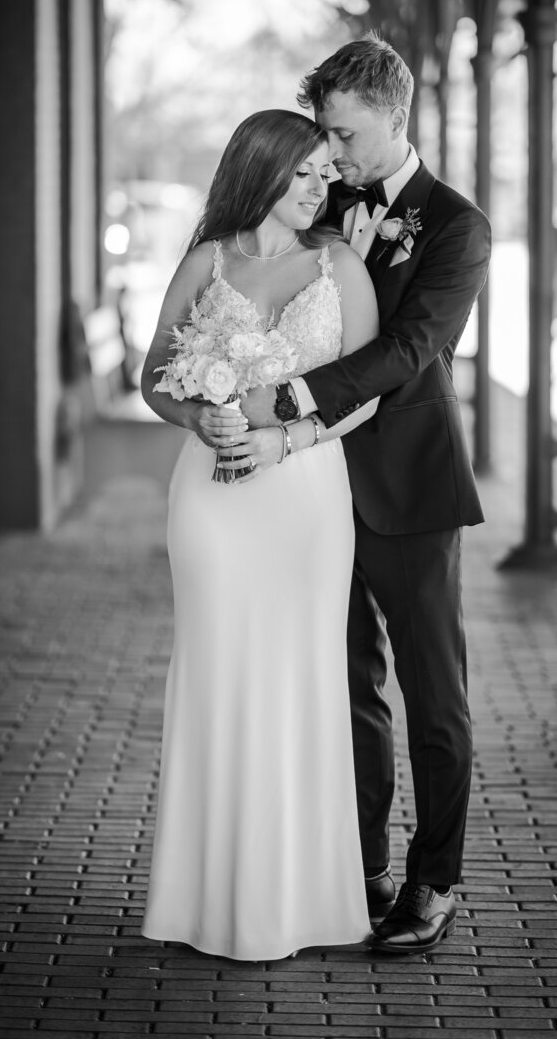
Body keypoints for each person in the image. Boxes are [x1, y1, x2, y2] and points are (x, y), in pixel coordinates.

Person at [242, 34, 491, 955]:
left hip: (409, 485)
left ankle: (435, 880)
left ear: (396, 112)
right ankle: (362, 866)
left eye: (345, 134)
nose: (333, 154)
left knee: (435, 695)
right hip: (313, 488)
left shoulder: (457, 224)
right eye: (325, 136)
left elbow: (411, 348)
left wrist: (300, 397)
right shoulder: (322, 200)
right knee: (349, 690)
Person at [140, 109, 380, 961]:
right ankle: (201, 898)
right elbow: (151, 379)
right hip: (211, 500)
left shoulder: (340, 265)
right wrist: (199, 417)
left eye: (327, 171)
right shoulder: (208, 260)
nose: (323, 185)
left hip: (306, 498)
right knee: (217, 672)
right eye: (307, 171)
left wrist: (285, 437)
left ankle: (297, 899)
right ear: (263, 170)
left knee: (299, 676)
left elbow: (363, 394)